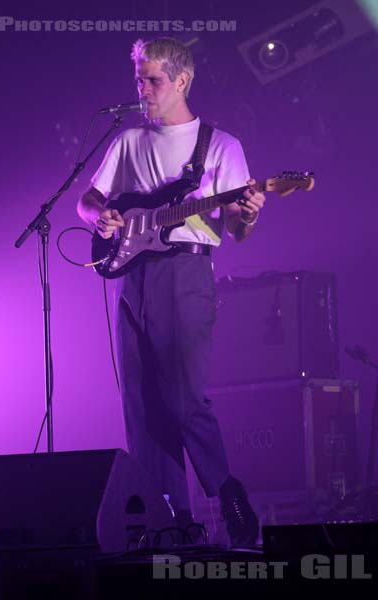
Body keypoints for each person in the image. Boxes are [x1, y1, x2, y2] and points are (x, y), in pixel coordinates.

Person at [78, 37, 266, 546]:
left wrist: (245, 215)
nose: (142, 89)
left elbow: (238, 231)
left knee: (183, 400)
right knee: (142, 407)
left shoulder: (220, 146)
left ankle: (228, 493)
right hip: (132, 275)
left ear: (182, 80)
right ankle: (173, 523)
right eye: (138, 78)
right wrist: (104, 216)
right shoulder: (129, 141)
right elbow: (88, 200)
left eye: (152, 79)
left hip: (186, 273)